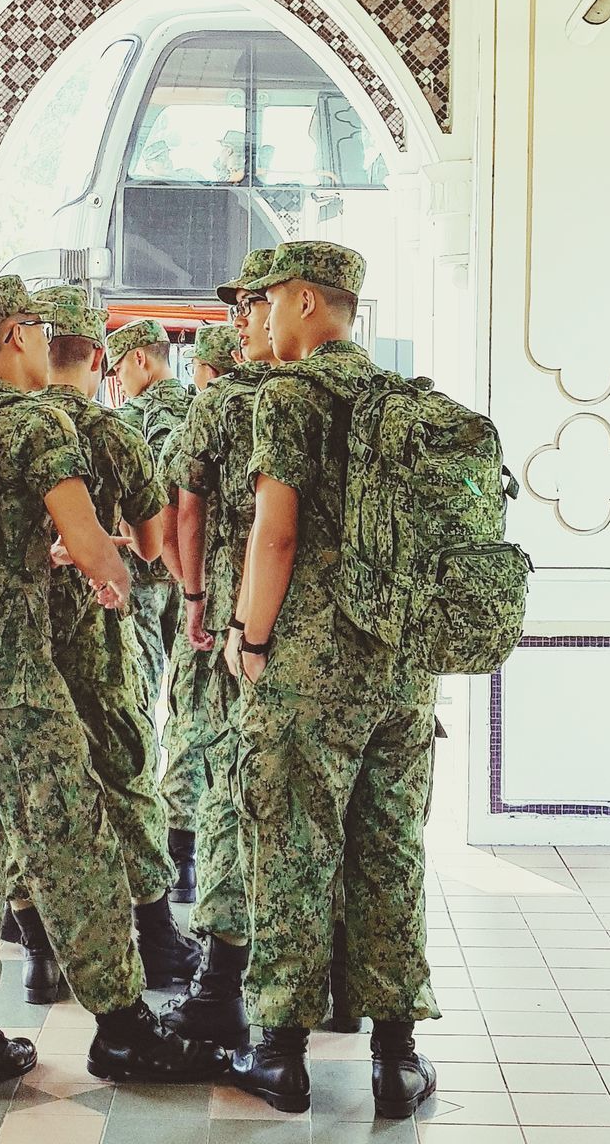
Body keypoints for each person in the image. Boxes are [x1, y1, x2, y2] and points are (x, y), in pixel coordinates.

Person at [0, 276, 226, 1099]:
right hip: (12, 678)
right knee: (75, 842)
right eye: (37, 327)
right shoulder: (39, 422)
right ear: (17, 334)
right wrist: (106, 568)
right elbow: (97, 542)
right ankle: (123, 1031)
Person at [222, 242, 439, 1119]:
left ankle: (279, 1054)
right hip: (401, 668)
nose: (263, 318)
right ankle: (396, 1061)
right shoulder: (403, 401)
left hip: (309, 673)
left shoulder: (290, 397)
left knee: (293, 850)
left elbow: (275, 534)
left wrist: (247, 636)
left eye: (270, 302)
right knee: (390, 853)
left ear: (310, 301)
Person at [5, 287, 198, 1005]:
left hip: (15, 646)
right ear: (97, 355)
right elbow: (151, 546)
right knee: (122, 773)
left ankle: (38, 951)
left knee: (22, 788)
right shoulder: (114, 434)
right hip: (97, 635)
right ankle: (153, 936)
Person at [157, 256, 277, 1048]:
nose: (241, 321)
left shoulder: (224, 407)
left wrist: (198, 600)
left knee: (233, 789)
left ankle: (221, 984)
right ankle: (332, 987)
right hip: (335, 649)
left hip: (243, 635)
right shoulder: (365, 401)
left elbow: (181, 520)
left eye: (249, 307)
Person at [108, 319, 192, 734]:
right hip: (192, 572)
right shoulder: (202, 406)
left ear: (139, 358)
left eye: (118, 367)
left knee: (139, 687)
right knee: (190, 695)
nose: (118, 380)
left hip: (141, 574)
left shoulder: (125, 420)